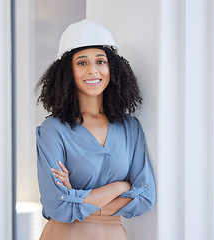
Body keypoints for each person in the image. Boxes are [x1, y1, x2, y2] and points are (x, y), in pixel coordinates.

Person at [35, 19, 156, 240]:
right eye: (82, 63)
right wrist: (122, 186)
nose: (93, 70)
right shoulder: (53, 130)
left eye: (100, 61)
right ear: (67, 72)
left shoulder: (130, 128)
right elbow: (57, 205)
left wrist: (78, 198)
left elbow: (145, 197)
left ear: (113, 68)